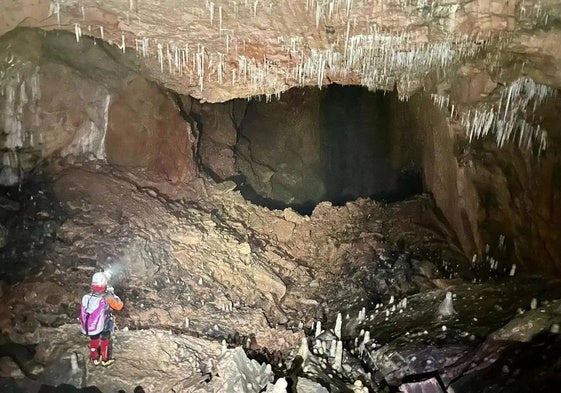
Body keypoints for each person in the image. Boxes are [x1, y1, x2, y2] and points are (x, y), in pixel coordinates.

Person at [80, 271, 123, 367]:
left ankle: (95, 358)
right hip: (104, 323)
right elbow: (119, 306)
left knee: (94, 341)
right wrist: (112, 294)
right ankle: (104, 359)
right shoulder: (107, 297)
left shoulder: (86, 297)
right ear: (104, 283)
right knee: (105, 340)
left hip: (91, 326)